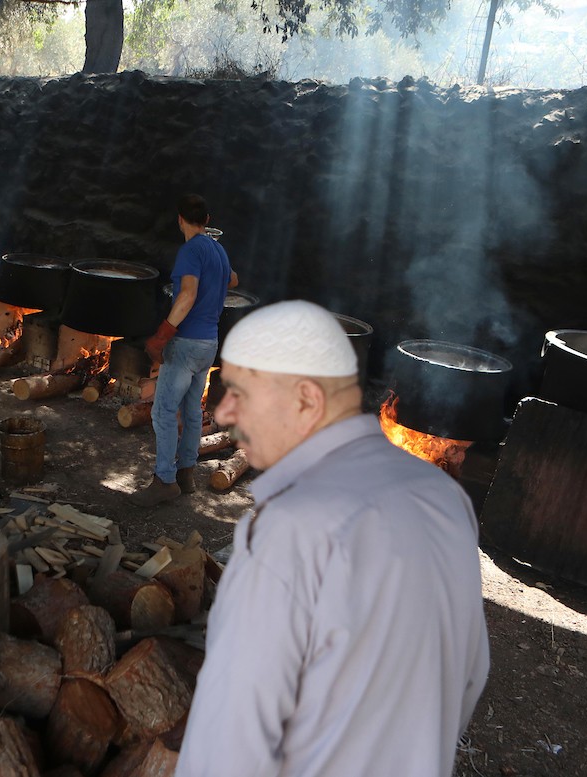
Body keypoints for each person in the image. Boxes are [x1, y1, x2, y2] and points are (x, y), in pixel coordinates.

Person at [176, 300, 489, 776]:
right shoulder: (445, 499)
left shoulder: (289, 530)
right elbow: (471, 675)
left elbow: (228, 742)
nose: (224, 412)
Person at [130, 194, 238, 507]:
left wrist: (162, 335)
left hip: (187, 342)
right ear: (207, 220)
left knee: (163, 411)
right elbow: (232, 279)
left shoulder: (191, 250)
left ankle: (164, 480)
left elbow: (187, 295)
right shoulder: (218, 250)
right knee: (192, 412)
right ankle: (185, 475)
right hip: (209, 344)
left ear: (180, 219)